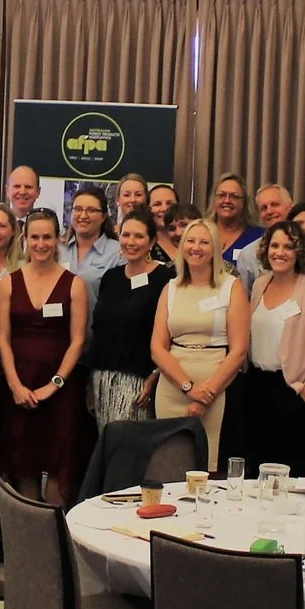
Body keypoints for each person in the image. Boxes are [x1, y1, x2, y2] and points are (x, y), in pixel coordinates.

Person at [0, 208, 89, 502]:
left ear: (57, 238)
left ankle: (58, 531)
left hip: (61, 390)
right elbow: (2, 338)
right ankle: (30, 531)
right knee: (23, 468)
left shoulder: (74, 284)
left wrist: (54, 384)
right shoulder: (8, 283)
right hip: (19, 388)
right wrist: (15, 386)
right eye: (34, 237)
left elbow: (78, 340)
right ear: (25, 239)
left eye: (47, 237)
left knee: (60, 469)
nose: (40, 244)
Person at [233, 221, 305, 476]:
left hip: (292, 389)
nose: (280, 252)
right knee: (257, 470)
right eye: (275, 245)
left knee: (293, 472)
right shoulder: (260, 285)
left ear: (299, 251)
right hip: (256, 387)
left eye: (288, 247)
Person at [151, 218, 247, 471]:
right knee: (169, 465)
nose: (196, 247)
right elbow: (158, 347)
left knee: (208, 466)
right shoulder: (171, 288)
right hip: (172, 388)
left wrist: (206, 395)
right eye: (190, 241)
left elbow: (239, 351)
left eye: (204, 242)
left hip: (216, 388)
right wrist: (188, 387)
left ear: (215, 248)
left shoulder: (231, 287)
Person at [86, 209, 168, 430]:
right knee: (107, 441)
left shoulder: (165, 278)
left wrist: (155, 376)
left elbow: (169, 335)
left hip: (140, 381)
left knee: (130, 443)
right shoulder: (111, 277)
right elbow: (99, 330)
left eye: (139, 236)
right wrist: (90, 383)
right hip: (102, 379)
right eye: (126, 235)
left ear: (152, 242)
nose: (131, 242)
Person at [61, 185, 121, 307]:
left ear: (103, 216)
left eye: (91, 210)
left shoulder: (117, 253)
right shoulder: (58, 250)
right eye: (78, 209)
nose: (83, 216)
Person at [233, 184, 294, 291]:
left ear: (291, 207)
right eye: (264, 208)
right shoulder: (248, 255)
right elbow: (243, 297)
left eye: (275, 204)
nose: (269, 211)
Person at [208, 174, 260, 269]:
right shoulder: (202, 232)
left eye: (234, 196)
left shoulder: (258, 236)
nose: (227, 200)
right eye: (222, 195)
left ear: (243, 202)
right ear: (214, 199)